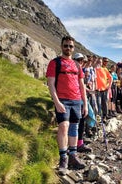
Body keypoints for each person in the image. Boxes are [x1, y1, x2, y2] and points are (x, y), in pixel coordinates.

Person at [46, 36, 87, 175]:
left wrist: (85, 104)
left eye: (70, 46)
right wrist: (56, 102)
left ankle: (73, 156)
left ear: (73, 48)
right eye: (65, 46)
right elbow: (50, 84)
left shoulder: (77, 65)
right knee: (63, 126)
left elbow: (82, 85)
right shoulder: (55, 63)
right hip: (62, 100)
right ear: (61, 46)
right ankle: (63, 158)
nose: (68, 48)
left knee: (74, 128)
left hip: (77, 100)